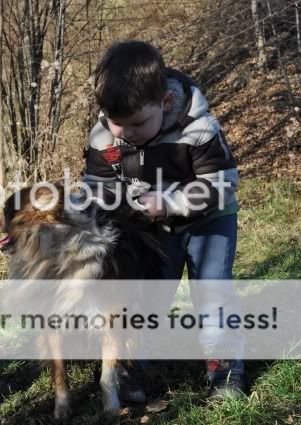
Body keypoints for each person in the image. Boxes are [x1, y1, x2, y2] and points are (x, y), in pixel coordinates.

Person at [82, 40, 246, 400]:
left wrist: (170, 202)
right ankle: (130, 368)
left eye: (138, 123)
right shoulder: (105, 138)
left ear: (166, 103)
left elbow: (223, 183)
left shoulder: (197, 127)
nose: (126, 133)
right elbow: (97, 189)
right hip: (153, 228)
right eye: (117, 123)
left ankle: (225, 371)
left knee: (212, 292)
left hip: (209, 221)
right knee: (146, 294)